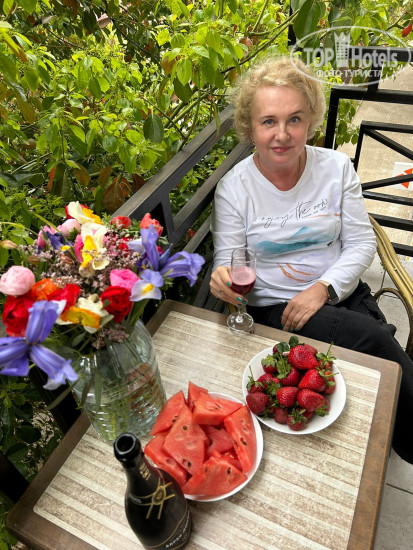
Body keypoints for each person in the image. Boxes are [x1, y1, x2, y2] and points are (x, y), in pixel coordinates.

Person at [209, 56, 413, 464]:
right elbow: (227, 261)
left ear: (311, 119)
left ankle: (383, 440)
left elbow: (361, 243)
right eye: (268, 121)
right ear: (250, 126)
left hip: (337, 292)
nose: (282, 134)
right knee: (376, 340)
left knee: (374, 352)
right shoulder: (235, 189)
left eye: (295, 119)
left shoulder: (335, 168)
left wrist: (323, 288)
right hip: (278, 309)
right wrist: (222, 279)